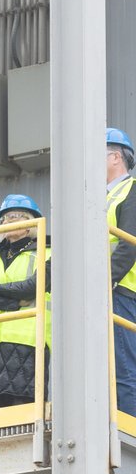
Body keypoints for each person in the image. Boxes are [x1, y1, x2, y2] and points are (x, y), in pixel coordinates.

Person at [0, 194, 52, 408]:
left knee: (23, 406)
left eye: (15, 217)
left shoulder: (46, 254)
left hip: (28, 341)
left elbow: (31, 287)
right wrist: (14, 303)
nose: (6, 222)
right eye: (3, 219)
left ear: (31, 223)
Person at [107, 127, 136, 416]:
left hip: (121, 291)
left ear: (115, 157)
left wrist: (103, 280)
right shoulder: (103, 197)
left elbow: (129, 245)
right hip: (109, 291)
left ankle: (130, 433)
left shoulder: (131, 190)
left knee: (125, 370)